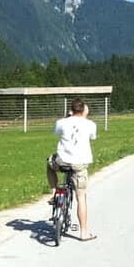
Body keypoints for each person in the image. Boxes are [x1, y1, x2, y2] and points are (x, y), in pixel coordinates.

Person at [46, 98, 97, 241]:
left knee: (49, 164)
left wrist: (68, 118)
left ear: (71, 109)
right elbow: (92, 137)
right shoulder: (90, 125)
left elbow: (56, 132)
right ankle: (84, 233)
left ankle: (55, 191)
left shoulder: (61, 123)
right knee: (81, 197)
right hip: (80, 165)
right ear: (84, 110)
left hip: (62, 161)